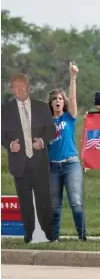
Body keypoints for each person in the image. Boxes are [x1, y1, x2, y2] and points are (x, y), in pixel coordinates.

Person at [1, 73, 56, 243]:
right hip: (19, 164)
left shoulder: (41, 107)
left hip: (39, 162)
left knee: (44, 199)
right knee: (25, 202)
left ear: (29, 86)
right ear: (12, 90)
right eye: (16, 87)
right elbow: (1, 135)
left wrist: (42, 141)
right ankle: (29, 234)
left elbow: (51, 131)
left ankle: (48, 233)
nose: (19, 90)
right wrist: (10, 145)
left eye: (22, 86)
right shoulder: (4, 110)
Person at [47, 62, 86, 241]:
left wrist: (73, 77)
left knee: (76, 203)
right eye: (54, 99)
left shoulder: (69, 117)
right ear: (51, 103)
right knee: (55, 205)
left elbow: (74, 98)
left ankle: (82, 236)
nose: (58, 101)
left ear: (64, 103)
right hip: (53, 167)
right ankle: (54, 238)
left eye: (60, 99)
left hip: (71, 164)